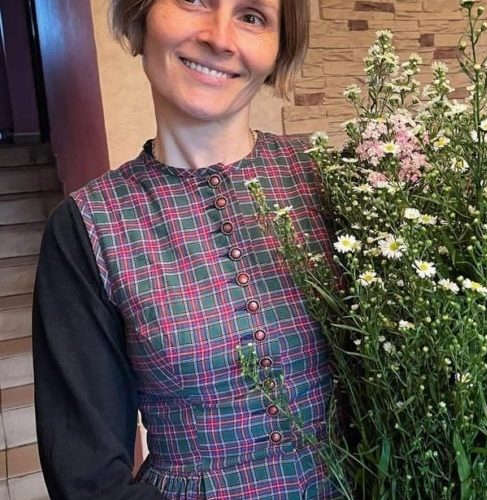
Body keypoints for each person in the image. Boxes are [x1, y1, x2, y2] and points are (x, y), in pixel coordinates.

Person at [32, 0, 339, 498]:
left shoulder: (334, 179)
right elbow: (87, 478)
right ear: (141, 15)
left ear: (279, 48)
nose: (219, 37)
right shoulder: (86, 227)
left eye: (253, 16)